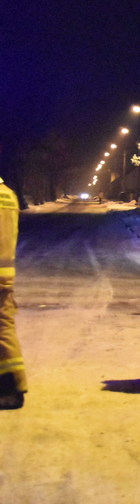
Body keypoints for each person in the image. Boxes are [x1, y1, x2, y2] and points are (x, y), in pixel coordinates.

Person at [0, 157, 26, 410]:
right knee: (4, 328)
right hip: (5, 273)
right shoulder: (9, 195)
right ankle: (14, 386)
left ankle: (10, 389)